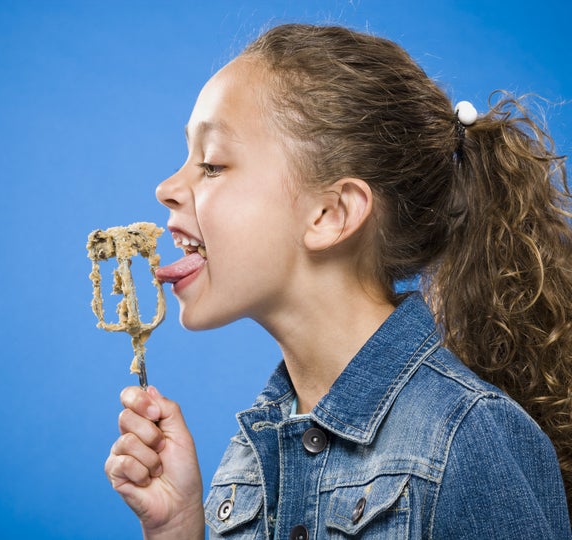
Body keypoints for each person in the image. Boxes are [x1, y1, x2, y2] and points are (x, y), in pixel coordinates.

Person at [104, 23, 572, 539]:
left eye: (211, 164)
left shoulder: (469, 439)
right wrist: (179, 529)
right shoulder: (247, 463)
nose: (166, 188)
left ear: (330, 213)